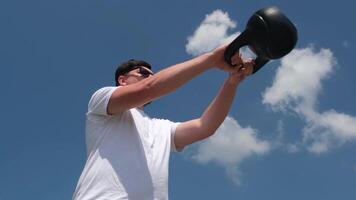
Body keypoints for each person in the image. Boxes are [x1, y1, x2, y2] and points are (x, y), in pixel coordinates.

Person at [73, 44, 254, 200]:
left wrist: (232, 82)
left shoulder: (160, 128)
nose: (150, 77)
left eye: (153, 74)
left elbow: (205, 126)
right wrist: (211, 59)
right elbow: (149, 88)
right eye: (143, 72)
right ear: (122, 80)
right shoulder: (102, 100)